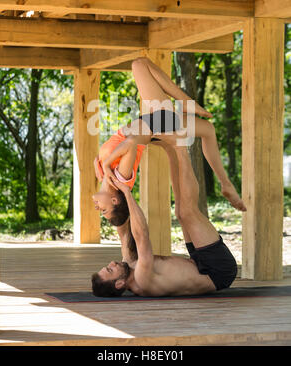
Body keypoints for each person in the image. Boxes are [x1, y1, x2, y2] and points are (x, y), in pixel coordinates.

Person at [92, 56, 246, 227]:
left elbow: (107, 152)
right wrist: (105, 164)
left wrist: (98, 163)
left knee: (208, 130)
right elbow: (131, 143)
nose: (99, 209)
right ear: (114, 200)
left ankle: (226, 185)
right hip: (160, 122)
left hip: (154, 126)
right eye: (104, 211)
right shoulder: (120, 179)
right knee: (139, 64)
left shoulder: (106, 178)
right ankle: (185, 102)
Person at [91, 146, 238, 297]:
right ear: (119, 283)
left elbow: (122, 228)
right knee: (188, 212)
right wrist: (127, 193)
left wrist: (106, 185)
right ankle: (180, 145)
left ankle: (172, 150)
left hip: (198, 263)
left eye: (107, 266)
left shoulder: (129, 264)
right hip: (217, 272)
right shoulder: (142, 280)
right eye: (110, 270)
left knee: (181, 212)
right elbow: (141, 236)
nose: (112, 263)